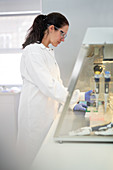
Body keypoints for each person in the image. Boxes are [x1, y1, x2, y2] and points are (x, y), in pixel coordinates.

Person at [17, 12, 93, 167]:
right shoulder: (32, 52)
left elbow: (57, 85)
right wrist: (75, 99)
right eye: (62, 34)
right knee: (30, 162)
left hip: (46, 117)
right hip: (34, 120)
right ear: (51, 28)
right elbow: (48, 86)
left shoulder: (48, 53)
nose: (63, 39)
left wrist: (79, 97)